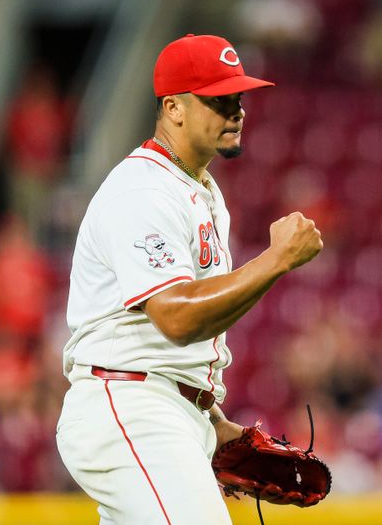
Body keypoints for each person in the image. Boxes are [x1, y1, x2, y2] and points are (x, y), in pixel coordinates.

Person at [56, 34, 323, 524]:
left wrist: (211, 420)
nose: (236, 112)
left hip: (169, 407)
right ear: (174, 108)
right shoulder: (142, 189)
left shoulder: (200, 191)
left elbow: (181, 341)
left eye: (238, 99)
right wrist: (277, 259)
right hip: (128, 404)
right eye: (219, 100)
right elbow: (176, 317)